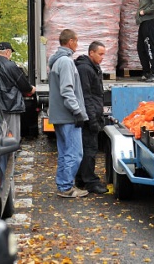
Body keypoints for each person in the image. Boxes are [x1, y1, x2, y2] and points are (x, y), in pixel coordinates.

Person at [48, 29, 89, 198]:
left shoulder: (57, 61)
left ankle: (64, 185)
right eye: (76, 41)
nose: (77, 45)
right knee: (75, 152)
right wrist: (77, 111)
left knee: (65, 152)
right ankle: (66, 187)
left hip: (60, 116)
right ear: (70, 41)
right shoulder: (66, 62)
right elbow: (67, 91)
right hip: (68, 116)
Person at [74, 41, 109, 194]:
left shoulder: (92, 67)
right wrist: (92, 119)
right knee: (90, 148)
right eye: (100, 54)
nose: (102, 57)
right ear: (91, 53)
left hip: (93, 113)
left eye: (103, 54)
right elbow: (86, 96)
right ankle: (89, 181)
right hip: (89, 115)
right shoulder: (85, 69)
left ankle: (82, 178)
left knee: (88, 148)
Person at [0, 42, 36, 141]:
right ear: (8, 52)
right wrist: (32, 89)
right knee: (12, 136)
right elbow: (23, 84)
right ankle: (11, 156)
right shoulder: (10, 65)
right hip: (10, 105)